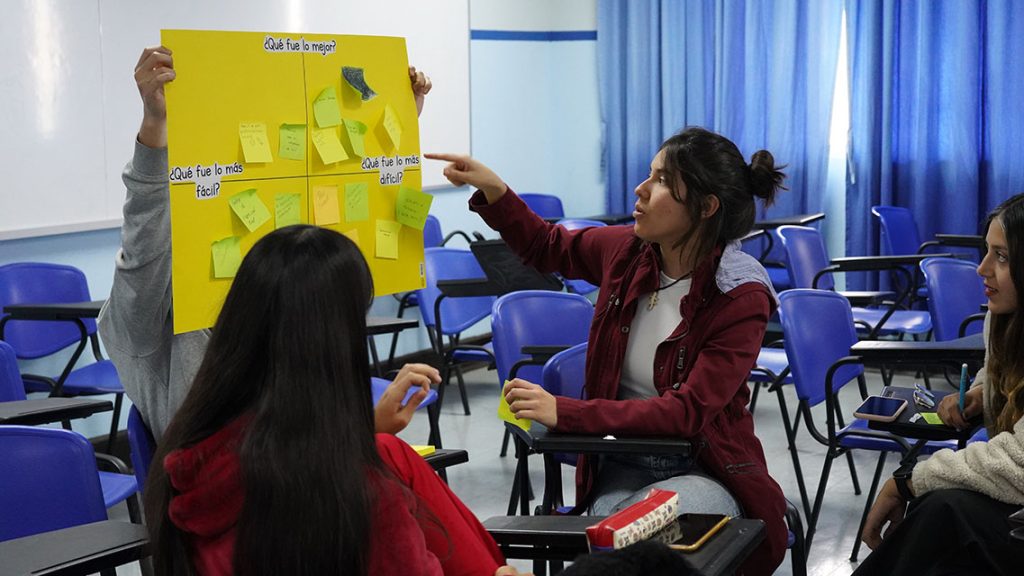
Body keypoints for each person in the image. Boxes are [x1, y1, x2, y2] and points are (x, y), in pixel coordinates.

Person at [426, 127, 790, 575]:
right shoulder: (628, 253)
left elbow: (687, 412)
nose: (641, 188)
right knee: (616, 544)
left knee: (629, 547)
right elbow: (547, 245)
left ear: (706, 206)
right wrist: (495, 190)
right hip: (621, 461)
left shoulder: (739, 294)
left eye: (661, 180)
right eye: (650, 174)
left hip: (705, 466)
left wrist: (567, 412)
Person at [99, 46, 433, 439]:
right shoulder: (150, 329)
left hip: (319, 464)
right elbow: (144, 244)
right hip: (243, 476)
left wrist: (396, 118)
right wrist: (156, 124)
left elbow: (336, 195)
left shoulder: (286, 312)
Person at [145, 225, 517, 575]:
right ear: (338, 342)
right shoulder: (360, 500)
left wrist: (362, 429)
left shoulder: (185, 463)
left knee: (387, 448)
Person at [855, 194, 1024, 576]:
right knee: (941, 516)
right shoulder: (1004, 318)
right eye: (987, 251)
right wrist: (981, 393)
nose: (982, 268)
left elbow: (1020, 462)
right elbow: (997, 370)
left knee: (944, 509)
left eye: (1002, 256)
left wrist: (907, 481)